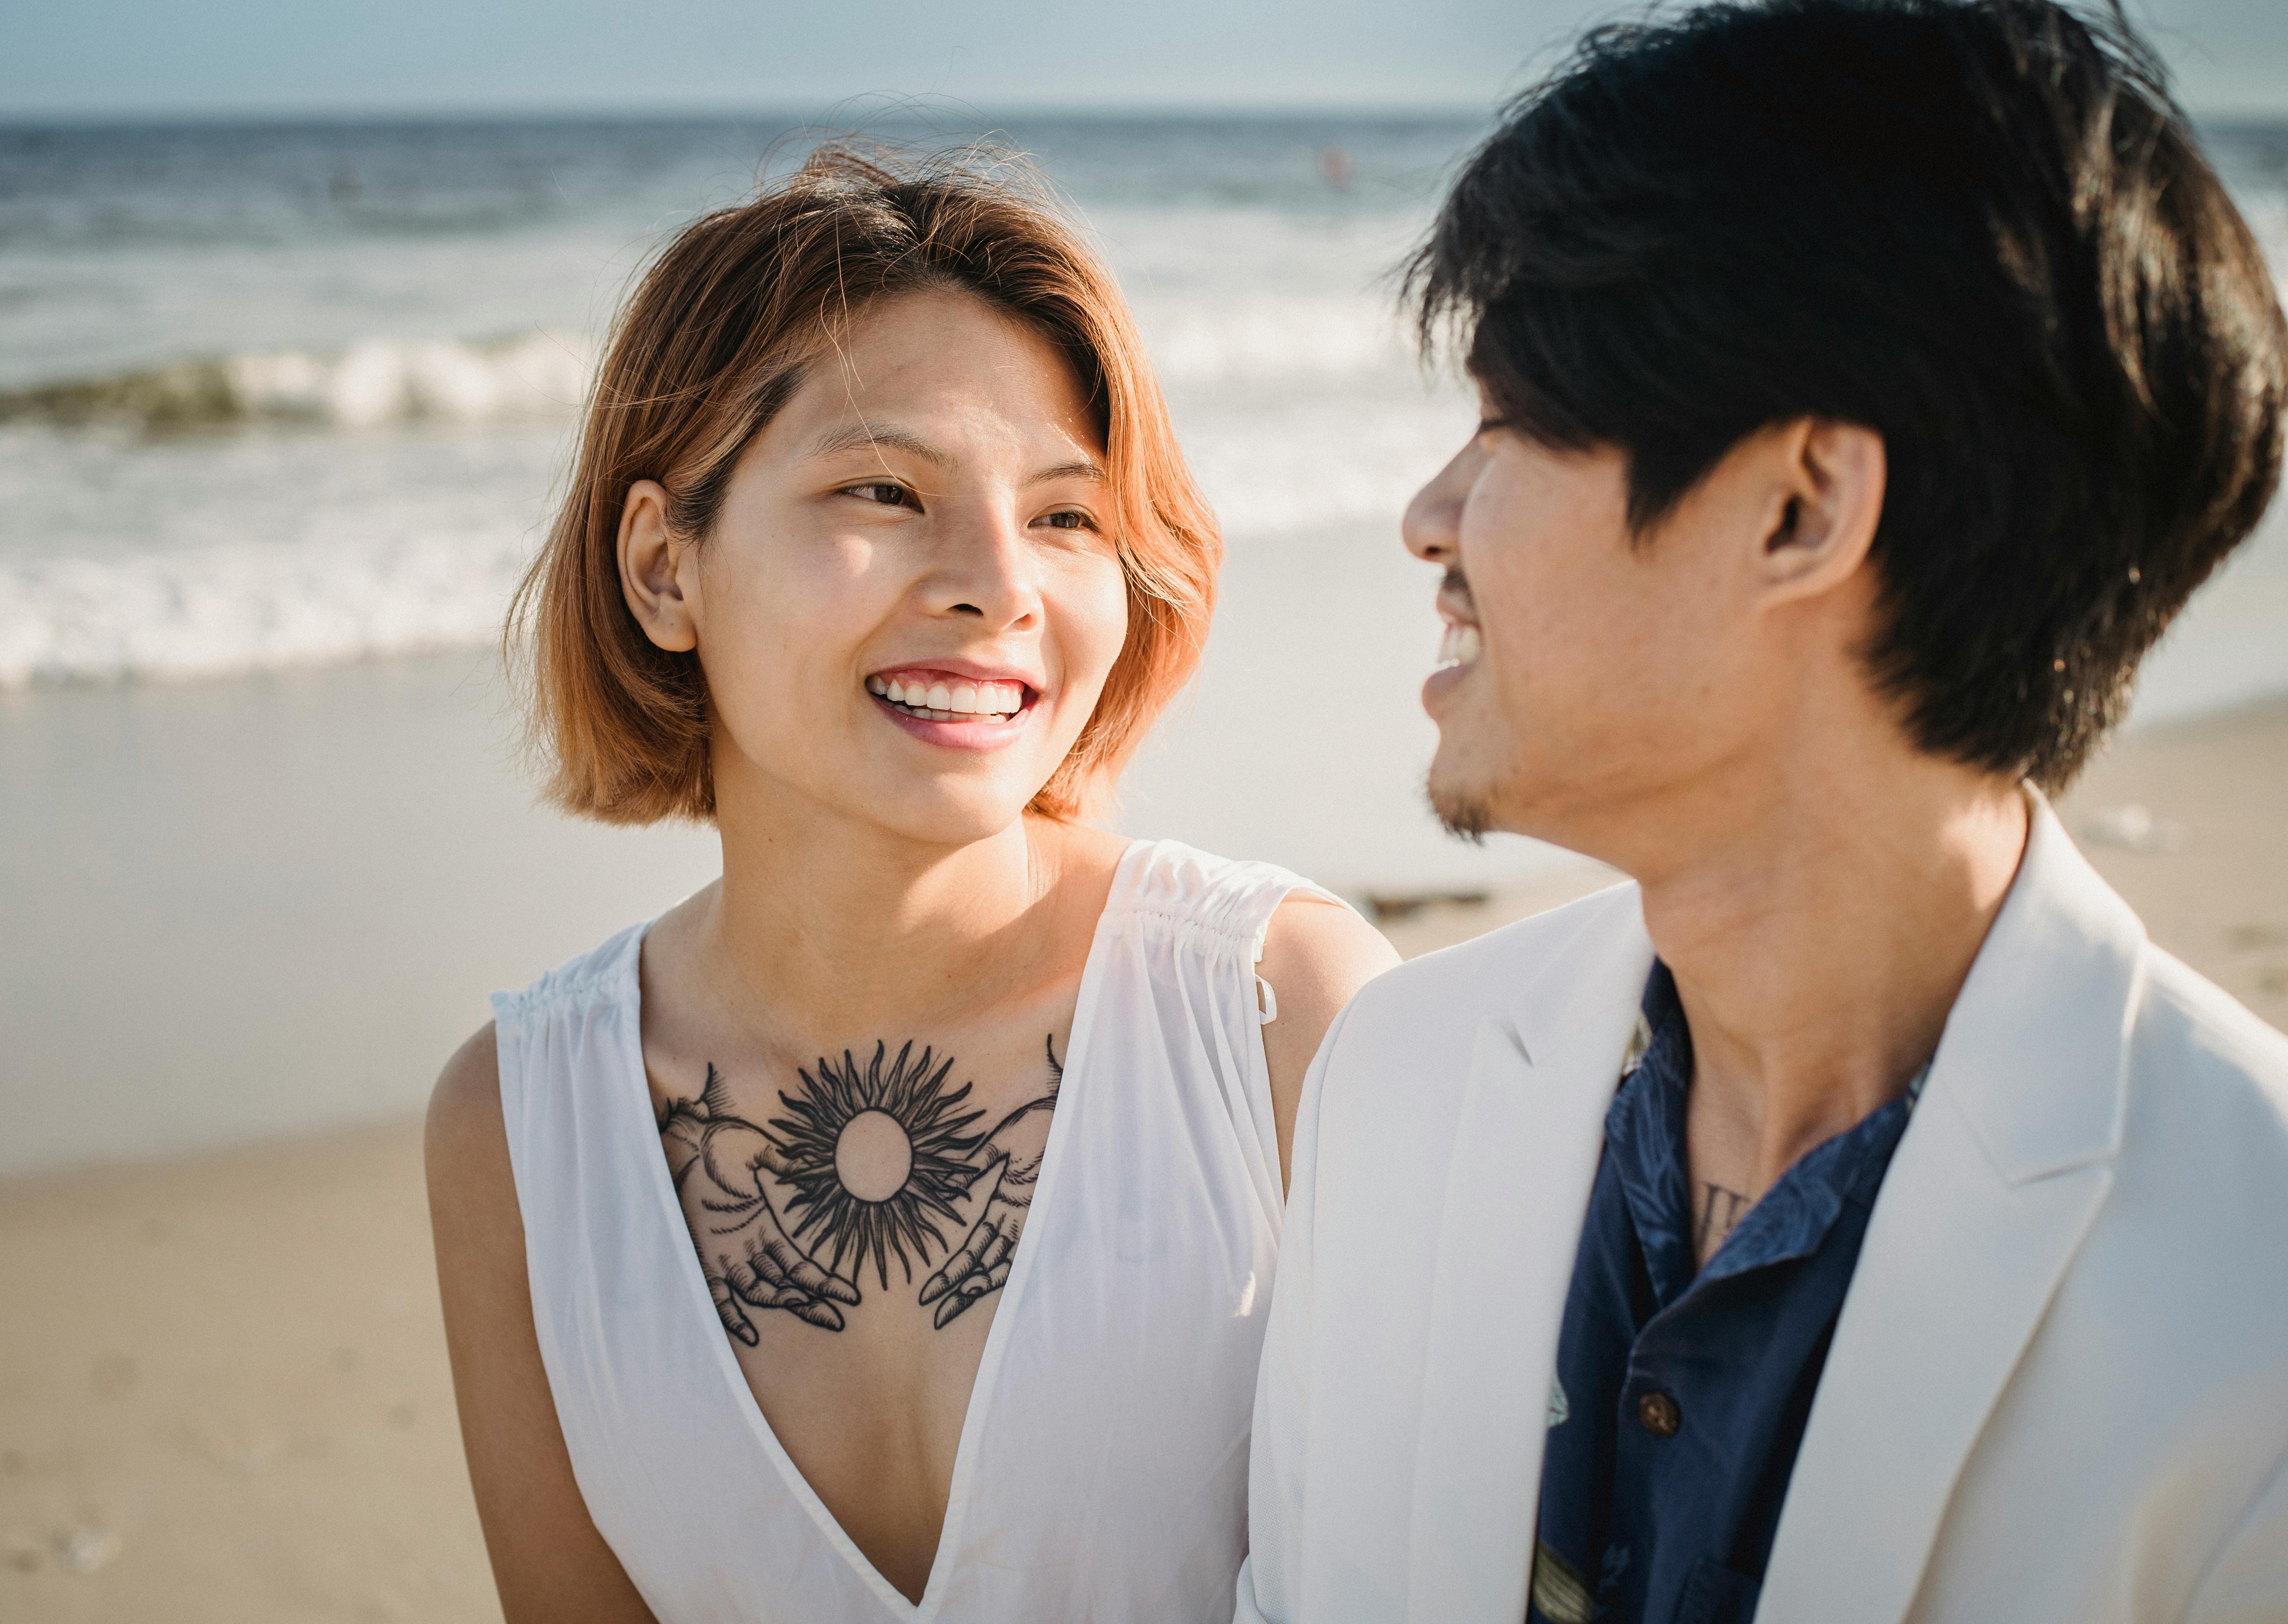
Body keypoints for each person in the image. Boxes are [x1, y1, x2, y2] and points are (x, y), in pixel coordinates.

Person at [1239, 2, 2288, 1620]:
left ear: (1801, 510)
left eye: (1508, 423)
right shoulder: (1401, 1078)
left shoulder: (2252, 1289)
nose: (1427, 517)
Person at [424, 145, 1396, 1624]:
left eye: (1068, 516)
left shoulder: (1278, 1019)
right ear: (660, 570)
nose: (998, 580)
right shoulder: (517, 1125)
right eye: (886, 487)